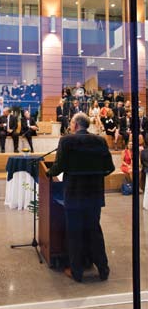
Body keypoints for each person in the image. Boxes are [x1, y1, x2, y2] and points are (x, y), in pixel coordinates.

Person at [47, 113, 115, 282]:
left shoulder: (67, 141)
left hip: (74, 194)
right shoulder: (100, 141)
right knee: (94, 231)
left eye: (71, 123)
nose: (70, 126)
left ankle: (76, 272)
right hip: (94, 194)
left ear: (76, 125)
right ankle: (103, 270)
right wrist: (94, 176)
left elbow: (58, 167)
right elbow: (110, 167)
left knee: (74, 233)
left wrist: (48, 173)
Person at [141, 139, 148, 210]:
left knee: (147, 188)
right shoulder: (144, 152)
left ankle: (145, 205)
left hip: (146, 170)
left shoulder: (143, 152)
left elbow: (143, 162)